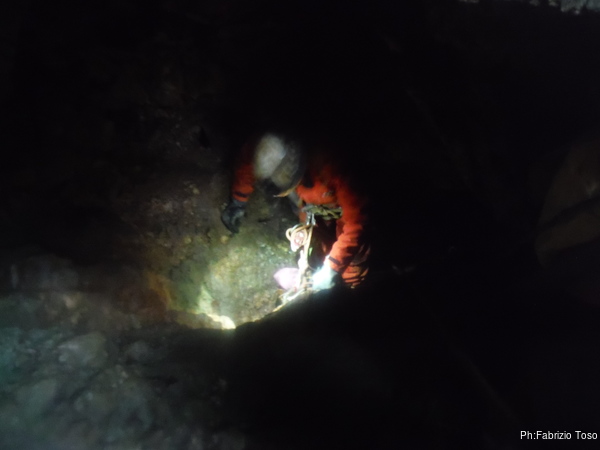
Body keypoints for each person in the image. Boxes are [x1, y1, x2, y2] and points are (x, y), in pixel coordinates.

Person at [221, 131, 370, 291]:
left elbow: (356, 225)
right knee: (315, 244)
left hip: (342, 206)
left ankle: (354, 290)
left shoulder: (334, 168)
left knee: (352, 263)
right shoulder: (266, 146)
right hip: (311, 203)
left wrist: (332, 268)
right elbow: (247, 165)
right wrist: (239, 200)